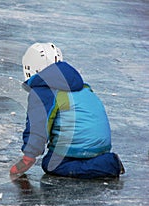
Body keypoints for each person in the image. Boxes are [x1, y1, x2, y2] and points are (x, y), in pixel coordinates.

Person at [10, 42, 125, 179]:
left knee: (51, 164)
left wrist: (28, 158)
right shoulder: (82, 86)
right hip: (100, 146)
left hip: (80, 147)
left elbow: (38, 127)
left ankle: (107, 165)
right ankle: (99, 159)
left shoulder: (43, 92)